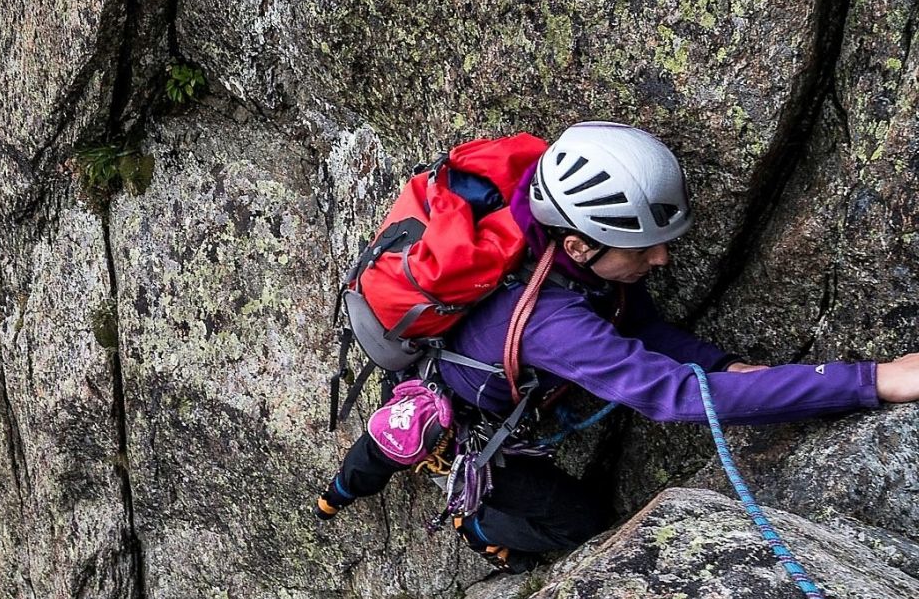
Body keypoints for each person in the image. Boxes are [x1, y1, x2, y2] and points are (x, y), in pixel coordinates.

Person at [317, 121, 919, 572]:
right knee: (582, 521)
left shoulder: (559, 251)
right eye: (644, 248)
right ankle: (478, 526)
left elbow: (640, 327)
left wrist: (724, 365)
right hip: (472, 430)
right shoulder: (553, 323)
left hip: (462, 375)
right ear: (579, 247)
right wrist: (875, 380)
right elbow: (674, 397)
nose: (662, 259)